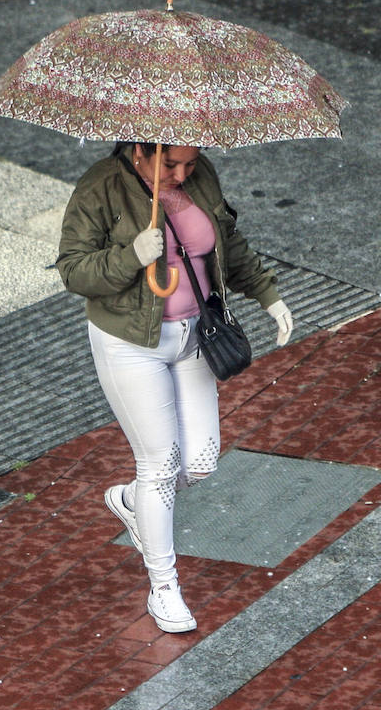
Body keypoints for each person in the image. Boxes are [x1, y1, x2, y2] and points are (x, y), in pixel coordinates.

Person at [57, 142, 293, 633]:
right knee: (160, 464)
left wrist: (268, 296)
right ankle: (164, 587)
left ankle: (132, 500)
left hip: (196, 336)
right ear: (141, 151)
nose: (184, 173)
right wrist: (130, 256)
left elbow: (228, 244)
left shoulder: (200, 174)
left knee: (201, 464)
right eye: (172, 163)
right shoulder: (102, 185)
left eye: (191, 162)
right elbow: (74, 270)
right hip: (131, 344)